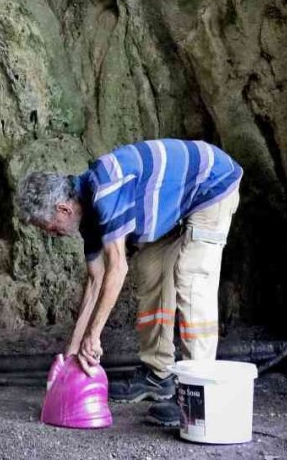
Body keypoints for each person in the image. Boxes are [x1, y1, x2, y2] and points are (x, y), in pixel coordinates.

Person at [16, 137, 242, 428]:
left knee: (191, 276)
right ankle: (158, 374)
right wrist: (71, 354)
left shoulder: (104, 191)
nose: (51, 233)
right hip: (182, 200)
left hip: (212, 183)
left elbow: (116, 268)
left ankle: (198, 391)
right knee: (150, 269)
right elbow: (96, 281)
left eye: (48, 227)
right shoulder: (88, 216)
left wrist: (94, 336)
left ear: (63, 209)